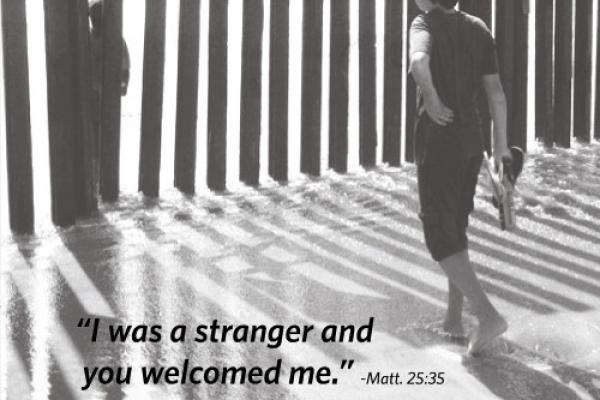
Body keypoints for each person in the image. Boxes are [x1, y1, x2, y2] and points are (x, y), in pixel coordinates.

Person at [409, 0, 511, 355]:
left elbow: (418, 63)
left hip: (439, 144)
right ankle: (453, 319)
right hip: (471, 143)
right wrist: (500, 149)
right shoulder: (478, 27)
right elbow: (496, 94)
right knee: (455, 226)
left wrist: (432, 99)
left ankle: (487, 315)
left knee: (439, 236)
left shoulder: (424, 24)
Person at [89, 0, 130, 192]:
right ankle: (96, 182)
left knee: (107, 139)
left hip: (108, 97)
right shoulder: (87, 38)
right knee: (93, 138)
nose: (96, 20)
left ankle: (106, 184)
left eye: (99, 16)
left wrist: (124, 86)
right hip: (91, 96)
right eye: (93, 16)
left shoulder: (115, 39)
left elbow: (125, 67)